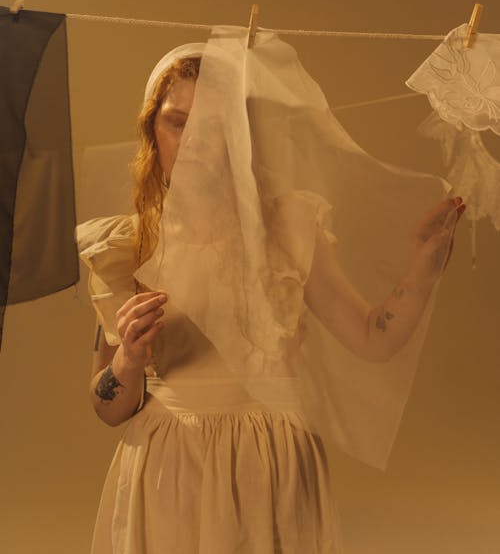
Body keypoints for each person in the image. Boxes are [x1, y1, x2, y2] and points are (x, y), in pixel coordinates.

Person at [77, 31, 465, 554]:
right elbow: (108, 407)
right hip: (170, 466)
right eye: (177, 122)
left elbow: (373, 338)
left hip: (270, 464)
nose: (193, 142)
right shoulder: (125, 247)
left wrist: (421, 268)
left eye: (213, 126)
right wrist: (126, 358)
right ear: (154, 130)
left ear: (238, 136)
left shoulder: (288, 228)